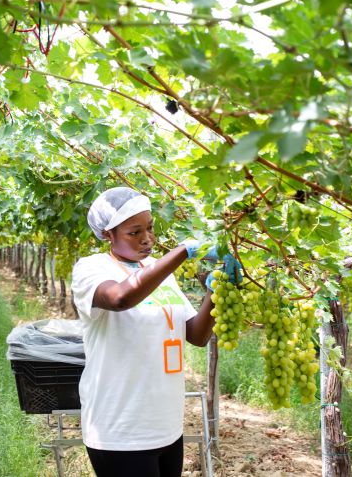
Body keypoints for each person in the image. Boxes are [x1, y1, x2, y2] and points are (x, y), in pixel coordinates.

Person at [71, 187, 241, 477]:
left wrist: (216, 291)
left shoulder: (157, 270)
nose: (147, 238)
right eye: (134, 232)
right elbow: (120, 298)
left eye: (150, 228)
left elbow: (197, 335)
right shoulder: (91, 269)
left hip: (166, 425)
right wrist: (182, 252)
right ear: (107, 234)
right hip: (120, 429)